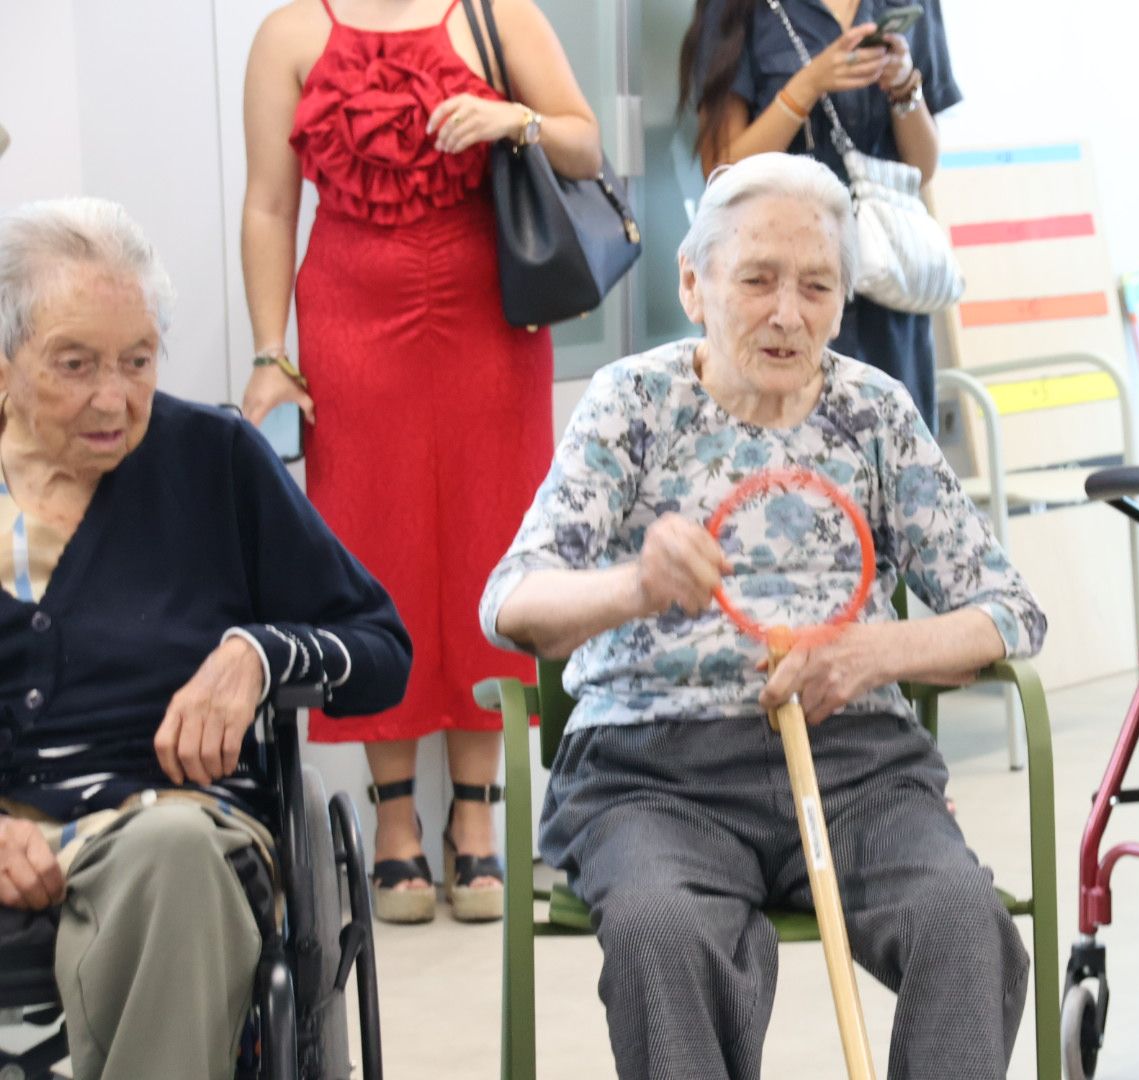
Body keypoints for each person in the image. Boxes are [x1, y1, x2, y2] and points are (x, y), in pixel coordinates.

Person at [480, 153, 1045, 1080]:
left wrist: (873, 652)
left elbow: (1009, 612)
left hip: (858, 765)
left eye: (817, 286)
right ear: (694, 284)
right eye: (757, 280)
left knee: (962, 926)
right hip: (655, 774)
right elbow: (513, 604)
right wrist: (636, 585)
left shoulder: (876, 413)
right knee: (664, 933)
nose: (788, 313)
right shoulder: (633, 404)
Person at [0, 197, 410, 1080]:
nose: (114, 398)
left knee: (172, 856)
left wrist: (259, 654)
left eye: (138, 360)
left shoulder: (213, 459)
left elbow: (382, 649)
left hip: (173, 830)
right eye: (75, 364)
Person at [239, 0, 601, 923]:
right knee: (369, 541)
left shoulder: (498, 12)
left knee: (493, 535)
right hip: (350, 319)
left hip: (490, 312)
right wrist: (271, 352)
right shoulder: (289, 34)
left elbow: (585, 147)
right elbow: (270, 202)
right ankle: (393, 813)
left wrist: (511, 118)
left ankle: (475, 814)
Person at [677, 0, 959, 431]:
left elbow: (922, 167)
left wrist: (904, 85)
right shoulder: (741, 7)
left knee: (896, 444)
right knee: (778, 448)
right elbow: (723, 170)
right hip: (777, 287)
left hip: (885, 286)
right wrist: (809, 84)